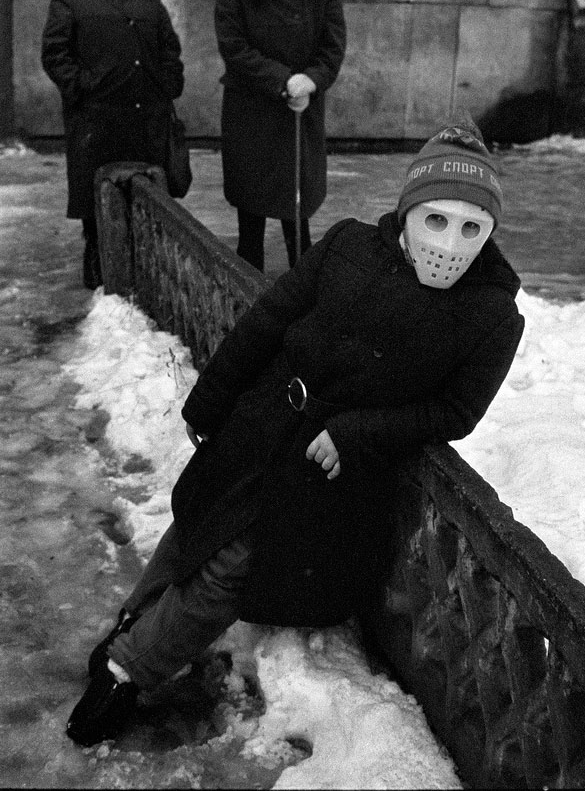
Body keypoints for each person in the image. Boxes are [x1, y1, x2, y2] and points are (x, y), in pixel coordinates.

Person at [65, 113, 525, 747]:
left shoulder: (493, 316)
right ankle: (130, 627)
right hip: (263, 422)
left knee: (231, 566)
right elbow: (268, 322)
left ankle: (128, 669)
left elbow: (456, 413)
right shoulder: (348, 245)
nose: (450, 240)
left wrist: (360, 431)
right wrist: (212, 402)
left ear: (491, 235)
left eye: (472, 227)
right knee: (196, 523)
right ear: (408, 213)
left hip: (324, 475)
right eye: (436, 219)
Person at [41, 0, 184, 290]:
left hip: (144, 117)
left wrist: (169, 82)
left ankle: (142, 269)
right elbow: (55, 54)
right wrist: (82, 88)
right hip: (97, 120)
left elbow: (169, 47)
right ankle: (98, 268)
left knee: (146, 196)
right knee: (97, 200)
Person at [214, 0, 346, 272]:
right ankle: (248, 285)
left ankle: (300, 286)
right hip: (252, 111)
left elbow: (333, 46)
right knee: (252, 209)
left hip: (299, 112)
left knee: (296, 208)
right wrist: (281, 79)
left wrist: (313, 79)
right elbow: (234, 46)